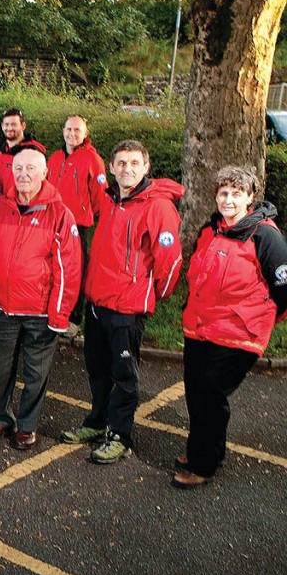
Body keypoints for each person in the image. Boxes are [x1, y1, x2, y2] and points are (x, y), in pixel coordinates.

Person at [60, 140, 184, 464]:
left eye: (134, 163)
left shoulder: (157, 206)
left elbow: (170, 262)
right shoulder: (111, 200)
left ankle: (120, 435)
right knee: (97, 370)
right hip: (98, 302)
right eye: (121, 163)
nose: (127, 169)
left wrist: (149, 293)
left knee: (124, 377)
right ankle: (97, 423)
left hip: (127, 309)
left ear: (146, 167)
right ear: (112, 168)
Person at [175, 167, 287, 488]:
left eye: (237, 193)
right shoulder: (210, 230)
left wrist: (261, 316)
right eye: (223, 193)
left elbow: (283, 285)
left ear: (250, 198)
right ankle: (206, 450)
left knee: (210, 393)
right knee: (196, 392)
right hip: (200, 327)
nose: (228, 199)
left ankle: (203, 465)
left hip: (240, 333)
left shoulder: (266, 235)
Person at [0, 148, 80, 450]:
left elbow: (69, 268)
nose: (23, 175)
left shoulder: (60, 214)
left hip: (41, 312)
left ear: (44, 172)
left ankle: (27, 425)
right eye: (18, 169)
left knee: (36, 373)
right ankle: (0, 418)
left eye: (30, 169)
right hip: (1, 308)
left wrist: (59, 314)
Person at [46, 115, 108, 334]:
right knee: (51, 268)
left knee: (74, 271)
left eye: (77, 130)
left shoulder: (93, 160)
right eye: (69, 129)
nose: (72, 134)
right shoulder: (54, 158)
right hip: (51, 222)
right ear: (63, 130)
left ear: (85, 133)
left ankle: (73, 317)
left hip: (75, 226)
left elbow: (100, 197)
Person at [0, 108, 45, 193]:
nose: (9, 128)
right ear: (2, 126)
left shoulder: (32, 151)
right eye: (6, 124)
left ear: (23, 126)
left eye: (13, 124)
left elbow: (39, 185)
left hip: (20, 205)